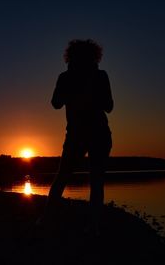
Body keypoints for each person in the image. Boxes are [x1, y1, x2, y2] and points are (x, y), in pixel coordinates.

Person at [39, 39, 113, 234]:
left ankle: (49, 220)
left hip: (86, 134)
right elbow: (109, 106)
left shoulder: (76, 77)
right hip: (87, 134)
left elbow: (56, 103)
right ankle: (89, 225)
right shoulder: (86, 76)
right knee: (93, 181)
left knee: (66, 177)